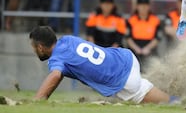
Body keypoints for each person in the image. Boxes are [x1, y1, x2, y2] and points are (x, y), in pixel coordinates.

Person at [29, 26, 173, 103]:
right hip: (124, 56)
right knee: (143, 89)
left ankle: (177, 102)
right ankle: (174, 91)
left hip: (123, 79)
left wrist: (37, 100)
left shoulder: (56, 59)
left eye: (34, 47)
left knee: (163, 103)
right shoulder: (67, 40)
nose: (34, 50)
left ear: (40, 47)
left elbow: (55, 75)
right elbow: (59, 75)